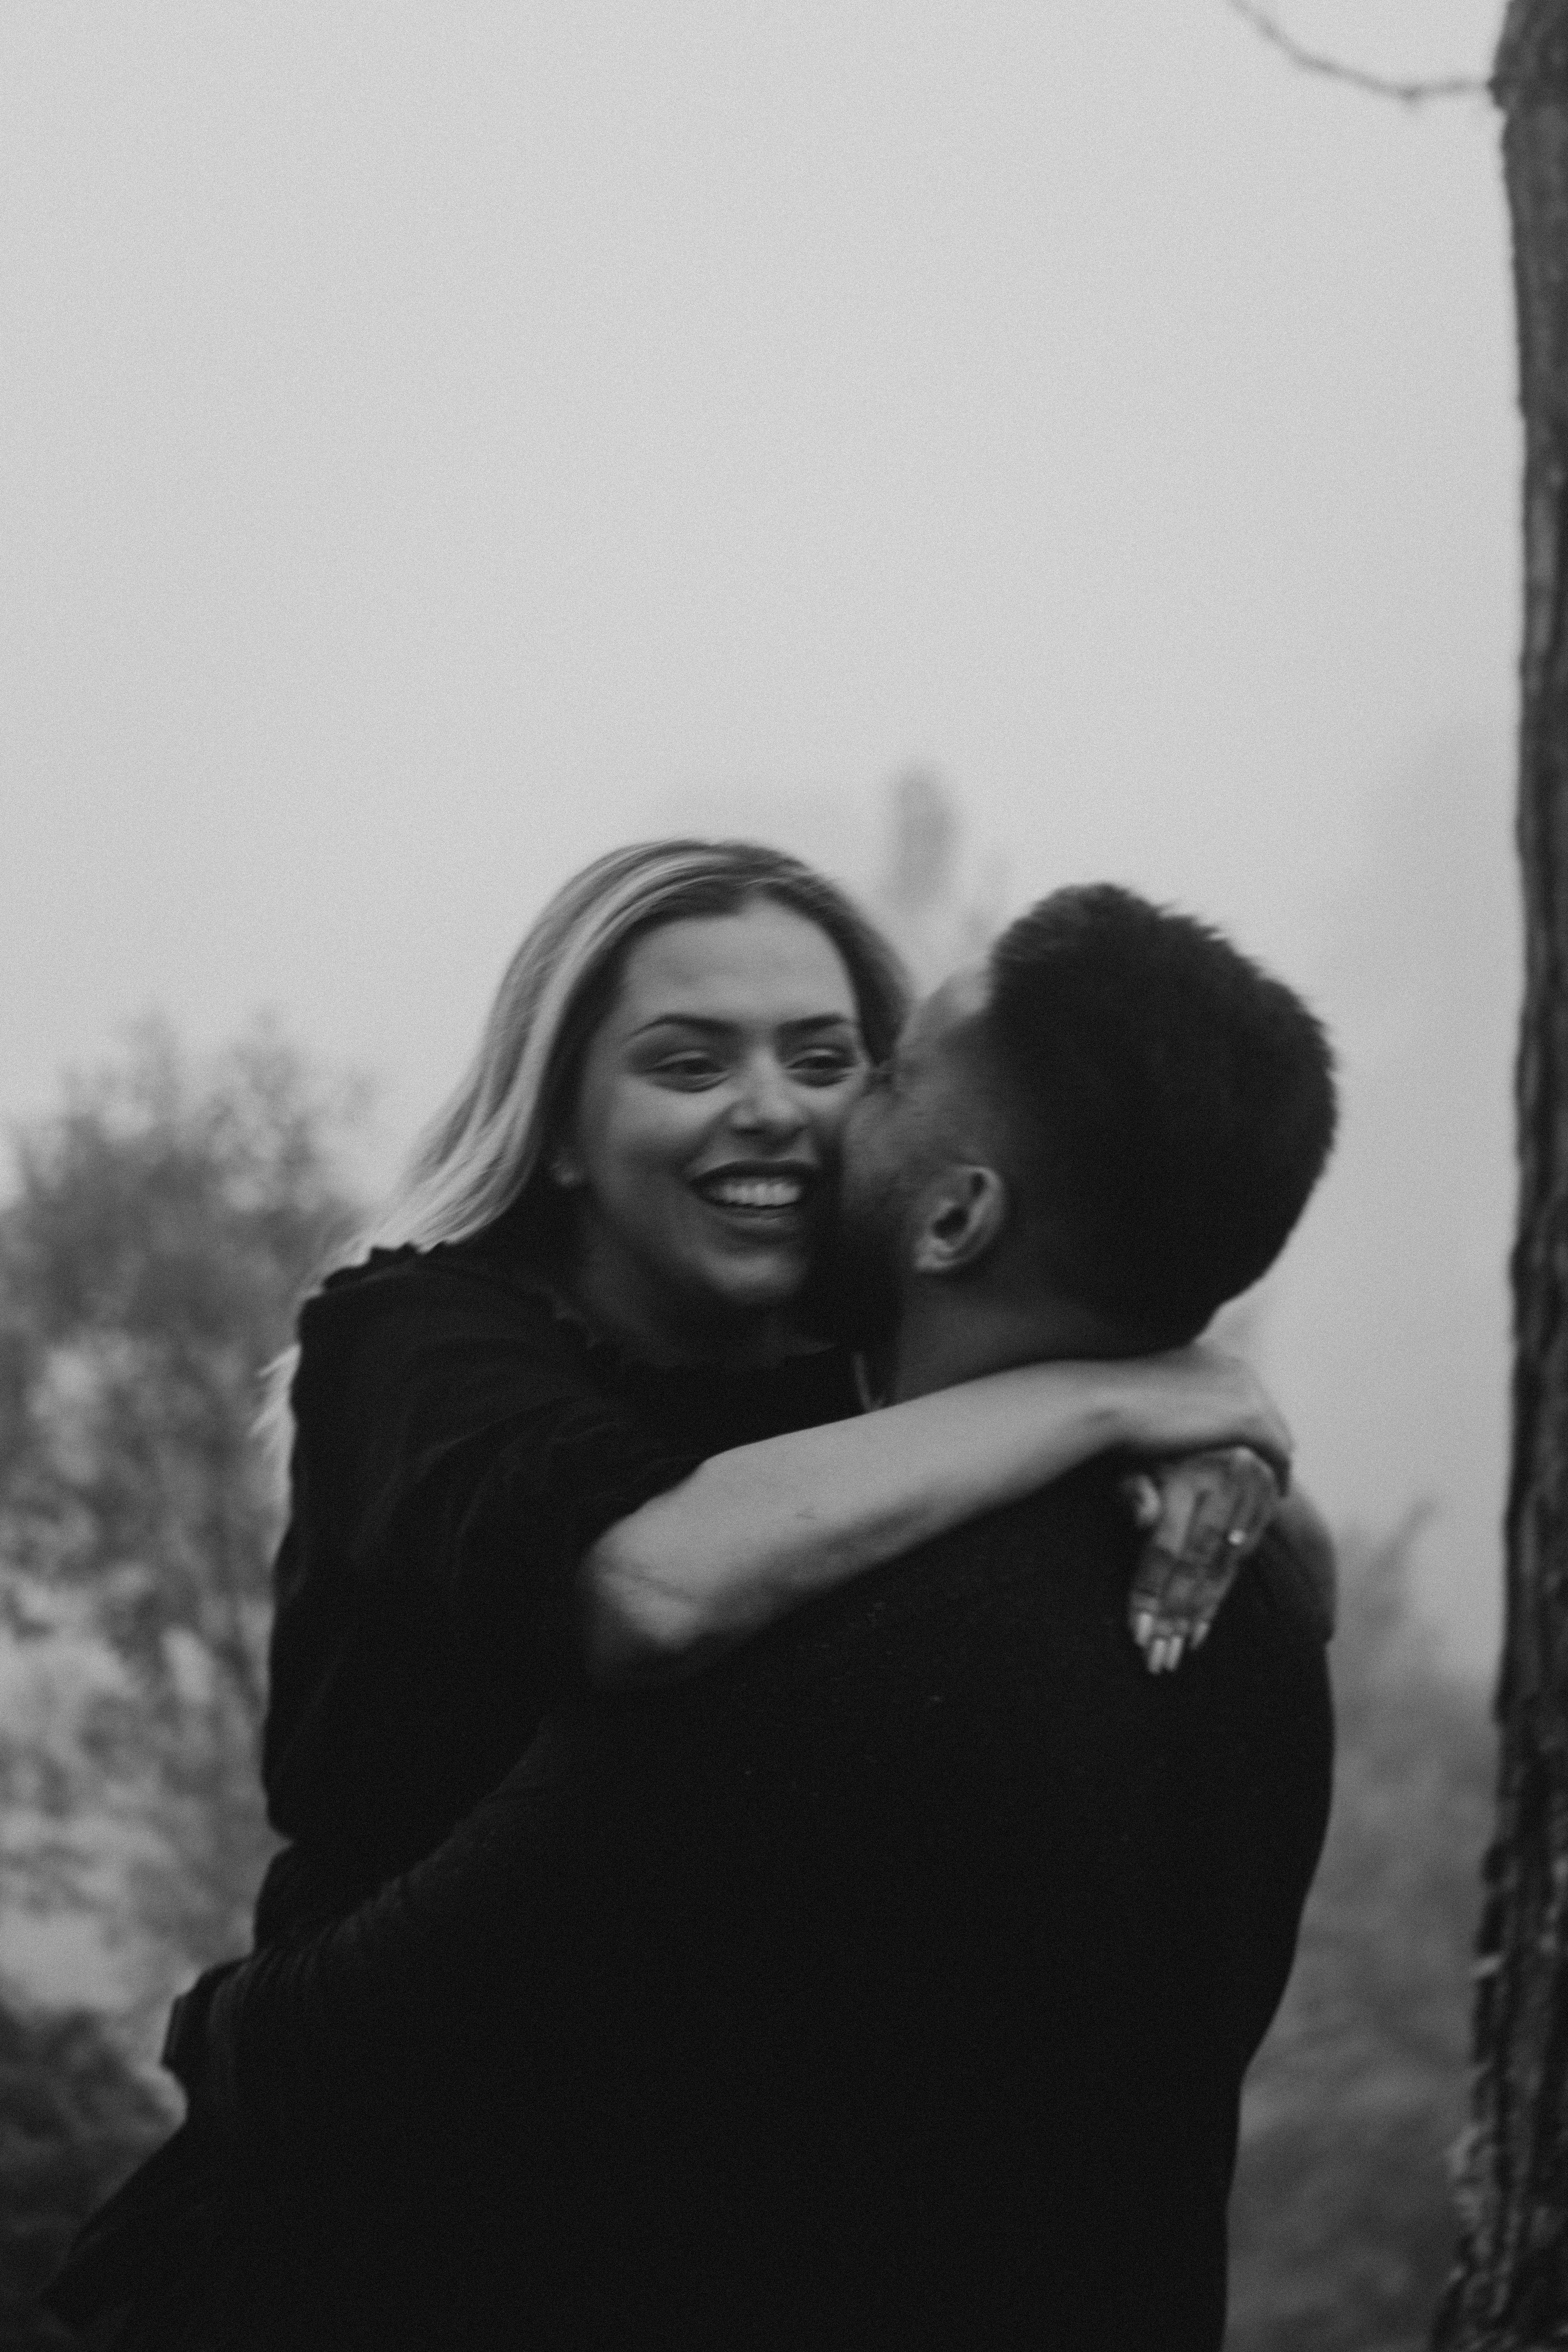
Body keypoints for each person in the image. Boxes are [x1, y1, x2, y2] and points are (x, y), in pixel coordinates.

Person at [49, 845, 1311, 2349]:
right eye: (688, 1061)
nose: (773, 1105)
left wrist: (1203, 1441)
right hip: (362, 2192)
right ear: (566, 1130)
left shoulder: (861, 1363)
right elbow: (646, 1584)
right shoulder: (421, 1338)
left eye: (837, 1060)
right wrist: (1112, 1401)